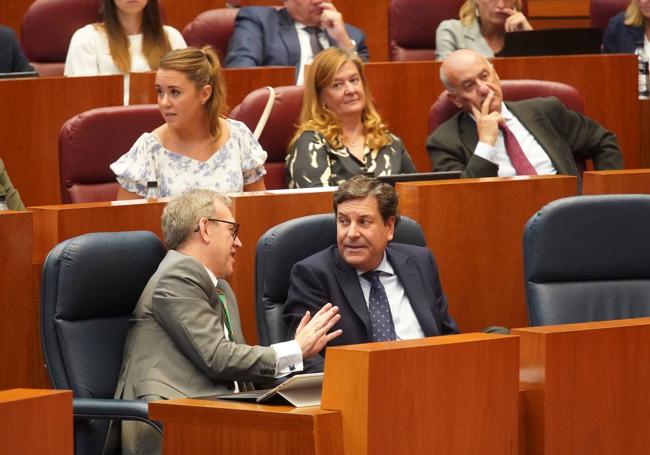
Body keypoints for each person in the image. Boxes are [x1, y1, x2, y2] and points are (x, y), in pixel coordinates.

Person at [115, 188, 342, 454]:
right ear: (205, 228)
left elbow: (235, 368)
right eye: (232, 230)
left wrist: (298, 377)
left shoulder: (219, 286)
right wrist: (294, 350)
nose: (239, 243)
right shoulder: (177, 275)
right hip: (170, 418)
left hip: (212, 412)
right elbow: (217, 358)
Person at [283, 175, 458, 372]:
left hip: (428, 382)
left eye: (364, 222)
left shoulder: (420, 262)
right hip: (356, 392)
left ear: (389, 227)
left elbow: (448, 337)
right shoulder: (313, 275)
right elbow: (306, 358)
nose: (351, 233)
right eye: (343, 221)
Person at [427, 49, 623, 183]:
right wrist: (486, 144)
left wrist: (603, 195)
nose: (484, 89)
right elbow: (458, 199)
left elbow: (604, 141)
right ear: (456, 100)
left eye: (485, 76)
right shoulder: (445, 142)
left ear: (496, 74)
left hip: (568, 213)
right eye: (469, 86)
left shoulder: (545, 111)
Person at [111, 47, 268, 199]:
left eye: (175, 92)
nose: (164, 102)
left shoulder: (239, 137)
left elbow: (257, 211)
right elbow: (128, 222)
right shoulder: (148, 150)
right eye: (160, 91)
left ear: (204, 94)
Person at [285, 48, 416, 188]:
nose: (351, 90)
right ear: (320, 98)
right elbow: (318, 204)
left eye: (354, 80)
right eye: (337, 85)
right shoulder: (311, 143)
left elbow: (417, 197)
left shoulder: (390, 143)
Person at [64, 0, 186, 103]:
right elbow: (83, 101)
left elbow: (186, 93)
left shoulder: (171, 36)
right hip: (106, 124)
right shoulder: (86, 38)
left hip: (162, 124)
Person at [225, 1, 369, 84]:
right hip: (284, 113)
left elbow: (368, 90)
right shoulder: (260, 22)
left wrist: (342, 41)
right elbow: (241, 76)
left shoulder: (351, 35)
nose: (317, 0)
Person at [435, 0, 532, 60]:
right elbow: (445, 81)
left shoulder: (520, 33)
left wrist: (529, 37)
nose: (501, 5)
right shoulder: (452, 31)